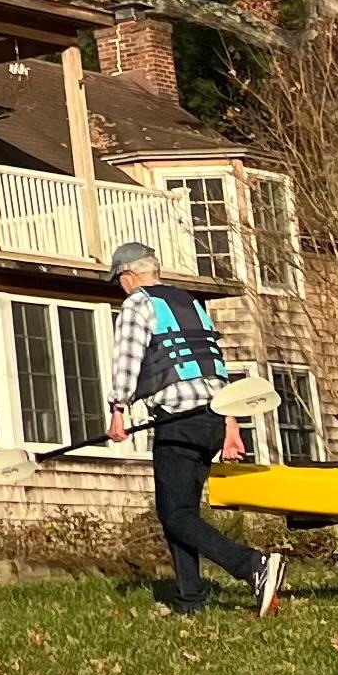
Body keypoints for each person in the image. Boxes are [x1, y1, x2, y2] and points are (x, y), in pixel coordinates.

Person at [106, 240, 281, 616]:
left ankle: (252, 566)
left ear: (129, 275)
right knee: (181, 511)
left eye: (119, 279)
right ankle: (190, 602)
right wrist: (231, 426)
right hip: (213, 419)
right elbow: (214, 367)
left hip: (179, 420)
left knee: (175, 514)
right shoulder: (191, 303)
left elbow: (127, 357)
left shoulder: (138, 303)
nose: (120, 287)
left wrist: (118, 409)